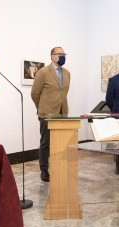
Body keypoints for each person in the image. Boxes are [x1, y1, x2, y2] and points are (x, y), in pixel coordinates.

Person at [31, 47, 70, 182]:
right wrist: (41, 107)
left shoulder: (67, 73)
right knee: (46, 143)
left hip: (62, 113)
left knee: (61, 141)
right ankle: (44, 170)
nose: (62, 56)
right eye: (60, 54)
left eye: (64, 54)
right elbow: (35, 93)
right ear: (52, 56)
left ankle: (59, 166)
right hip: (47, 114)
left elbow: (63, 93)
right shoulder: (43, 72)